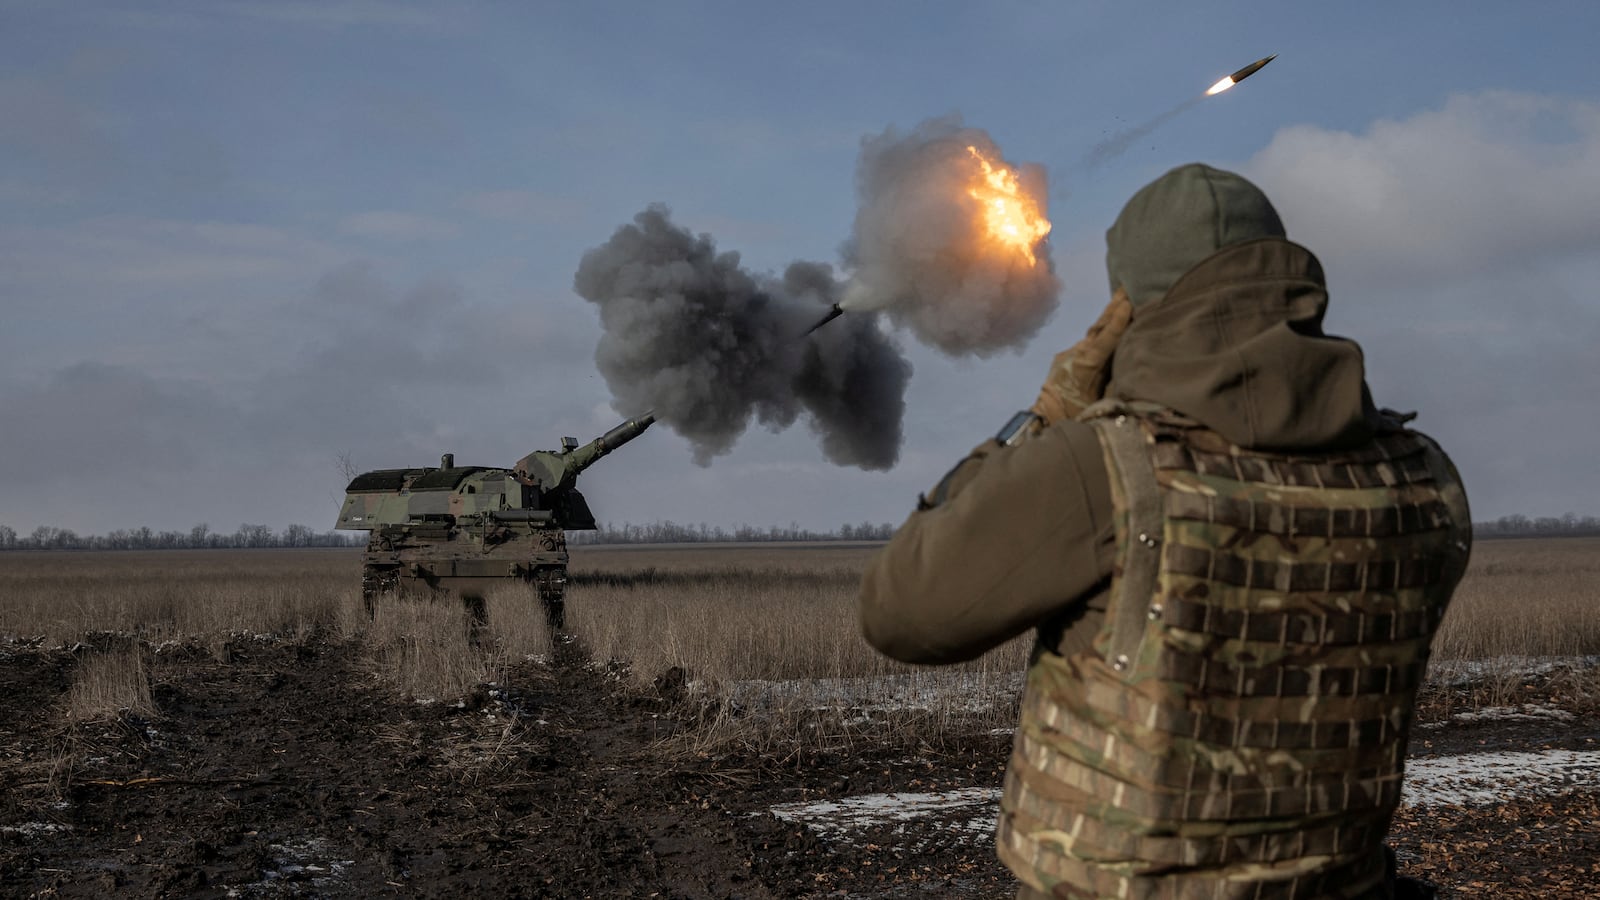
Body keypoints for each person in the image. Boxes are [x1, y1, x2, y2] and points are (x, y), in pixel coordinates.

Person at [859, 163, 1470, 900]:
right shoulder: (1420, 475)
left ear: (1130, 307)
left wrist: (1046, 417)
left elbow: (901, 612)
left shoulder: (1102, 465)